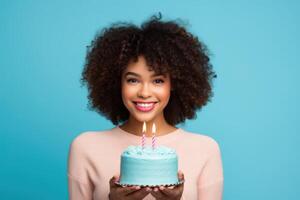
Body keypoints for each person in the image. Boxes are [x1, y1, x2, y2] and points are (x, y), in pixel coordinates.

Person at [67, 13, 223, 200]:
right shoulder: (85, 147)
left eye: (157, 80)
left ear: (173, 83)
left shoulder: (205, 149)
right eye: (133, 80)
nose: (144, 92)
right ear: (117, 82)